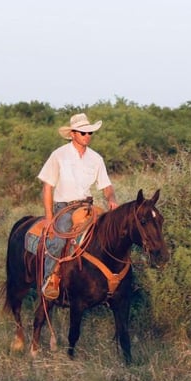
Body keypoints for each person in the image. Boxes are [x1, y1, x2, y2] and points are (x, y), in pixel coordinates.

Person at [37, 113, 118, 299]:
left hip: (87, 207)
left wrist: (111, 198)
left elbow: (106, 186)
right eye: (83, 133)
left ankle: (106, 282)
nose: (87, 136)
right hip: (64, 208)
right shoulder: (59, 155)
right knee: (58, 239)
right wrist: (49, 218)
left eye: (90, 133)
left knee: (110, 234)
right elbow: (48, 187)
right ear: (73, 134)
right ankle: (49, 280)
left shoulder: (96, 158)